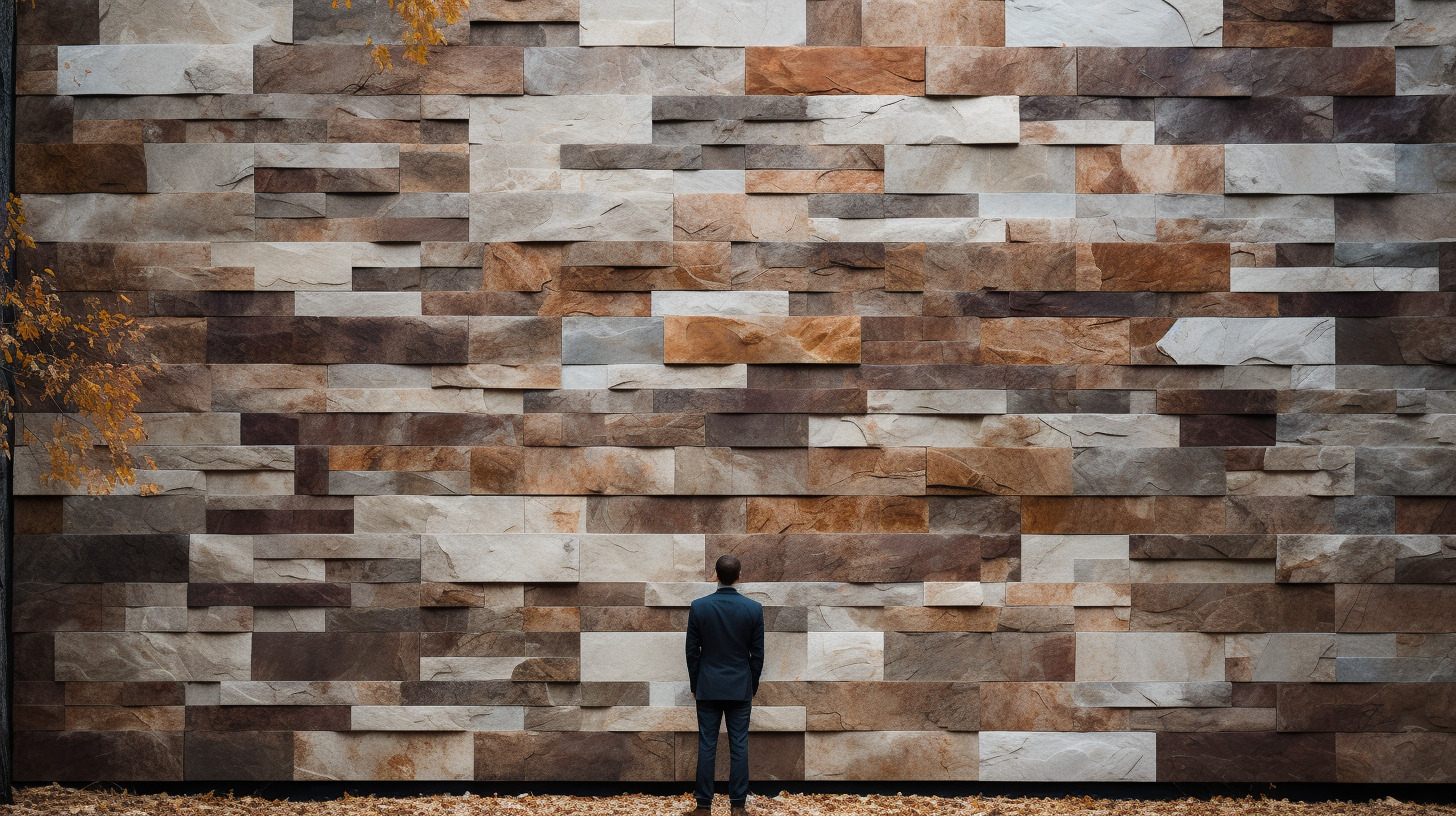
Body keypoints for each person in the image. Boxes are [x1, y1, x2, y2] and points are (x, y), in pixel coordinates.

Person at [685, 554, 765, 816]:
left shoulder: (699, 606)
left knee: (707, 743)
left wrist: (696, 683)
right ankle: (738, 807)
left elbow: (692, 651)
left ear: (715, 575)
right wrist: (750, 685)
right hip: (739, 686)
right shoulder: (753, 609)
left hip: (708, 685)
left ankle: (703, 806)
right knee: (739, 745)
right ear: (739, 576)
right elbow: (757, 654)